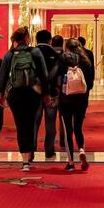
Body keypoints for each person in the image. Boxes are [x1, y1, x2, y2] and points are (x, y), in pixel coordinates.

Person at [0, 27, 48, 171]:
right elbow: (44, 75)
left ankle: (25, 161)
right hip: (32, 92)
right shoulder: (35, 52)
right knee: (30, 123)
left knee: (20, 125)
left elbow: (2, 75)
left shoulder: (10, 54)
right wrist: (46, 93)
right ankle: (29, 153)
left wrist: (0, 93)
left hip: (15, 94)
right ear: (27, 38)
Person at [57, 38, 94, 171]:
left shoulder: (62, 59)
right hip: (81, 99)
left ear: (66, 47)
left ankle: (70, 162)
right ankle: (82, 150)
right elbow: (90, 81)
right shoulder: (85, 60)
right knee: (78, 127)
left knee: (68, 130)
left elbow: (55, 76)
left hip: (65, 98)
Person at [33, 31, 62, 159]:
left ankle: (31, 149)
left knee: (34, 122)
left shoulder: (31, 53)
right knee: (50, 122)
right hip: (52, 93)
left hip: (35, 92)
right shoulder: (55, 55)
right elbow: (59, 76)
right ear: (50, 40)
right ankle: (49, 150)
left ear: (36, 39)